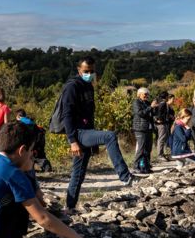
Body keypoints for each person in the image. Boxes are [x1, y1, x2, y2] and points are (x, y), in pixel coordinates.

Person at [59, 56, 137, 212]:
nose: (89, 74)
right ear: (79, 70)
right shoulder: (72, 87)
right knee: (109, 135)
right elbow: (66, 115)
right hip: (78, 133)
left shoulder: (89, 86)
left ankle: (69, 207)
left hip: (87, 132)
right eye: (86, 71)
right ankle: (125, 176)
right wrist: (72, 141)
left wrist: (93, 142)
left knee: (79, 173)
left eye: (92, 71)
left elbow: (89, 115)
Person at [132, 87, 156, 174]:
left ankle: (146, 166)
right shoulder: (136, 102)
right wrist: (150, 107)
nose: (146, 96)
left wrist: (155, 108)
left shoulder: (147, 103)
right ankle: (135, 166)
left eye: (147, 94)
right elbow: (140, 113)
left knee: (148, 149)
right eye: (145, 94)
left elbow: (152, 114)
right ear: (139, 94)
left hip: (149, 128)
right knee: (141, 148)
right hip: (140, 128)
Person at [154, 92, 175, 161]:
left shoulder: (161, 103)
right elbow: (159, 112)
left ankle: (163, 154)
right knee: (161, 139)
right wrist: (159, 119)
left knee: (163, 139)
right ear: (166, 97)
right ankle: (160, 155)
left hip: (163, 123)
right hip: (162, 124)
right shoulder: (162, 103)